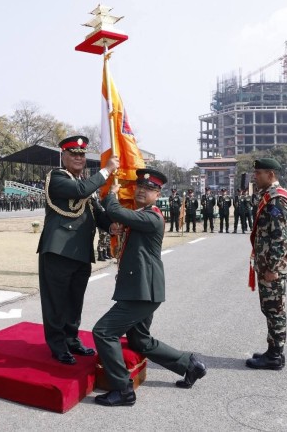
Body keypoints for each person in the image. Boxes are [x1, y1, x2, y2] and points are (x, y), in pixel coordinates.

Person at [93, 169, 206, 406]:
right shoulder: (141, 215)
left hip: (141, 291)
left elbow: (115, 211)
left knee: (103, 332)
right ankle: (189, 365)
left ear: (158, 194)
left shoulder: (152, 217)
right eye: (140, 187)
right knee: (139, 341)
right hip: (142, 289)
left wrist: (111, 193)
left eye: (149, 189)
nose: (142, 191)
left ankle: (123, 389)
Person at [37, 135, 119, 365]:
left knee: (75, 301)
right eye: (73, 154)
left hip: (81, 251)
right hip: (59, 251)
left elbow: (96, 212)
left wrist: (111, 225)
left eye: (82, 155)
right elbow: (81, 190)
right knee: (56, 302)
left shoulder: (85, 183)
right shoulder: (57, 177)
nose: (79, 158)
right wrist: (107, 170)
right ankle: (57, 345)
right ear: (63, 155)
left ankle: (71, 339)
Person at [246, 158, 287, 371]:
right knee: (269, 308)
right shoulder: (268, 196)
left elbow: (279, 238)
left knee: (275, 310)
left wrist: (272, 268)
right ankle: (273, 350)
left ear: (271, 174)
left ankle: (275, 356)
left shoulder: (276, 200)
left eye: (259, 173)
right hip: (267, 264)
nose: (255, 177)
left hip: (272, 267)